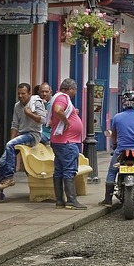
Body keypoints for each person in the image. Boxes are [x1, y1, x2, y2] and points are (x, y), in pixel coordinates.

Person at [0, 82, 42, 200]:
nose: (21, 96)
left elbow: (42, 119)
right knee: (3, 161)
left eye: (23, 93)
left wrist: (29, 114)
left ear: (29, 93)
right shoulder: (17, 106)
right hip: (21, 135)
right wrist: (12, 141)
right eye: (19, 93)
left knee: (10, 147)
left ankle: (9, 177)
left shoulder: (36, 103)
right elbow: (14, 125)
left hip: (33, 135)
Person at [49, 78, 86, 211]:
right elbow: (58, 110)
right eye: (75, 90)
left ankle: (60, 200)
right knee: (69, 170)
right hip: (67, 142)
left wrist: (72, 114)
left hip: (59, 141)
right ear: (70, 89)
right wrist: (67, 122)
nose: (75, 93)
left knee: (59, 170)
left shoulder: (58, 97)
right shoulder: (63, 98)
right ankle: (71, 200)